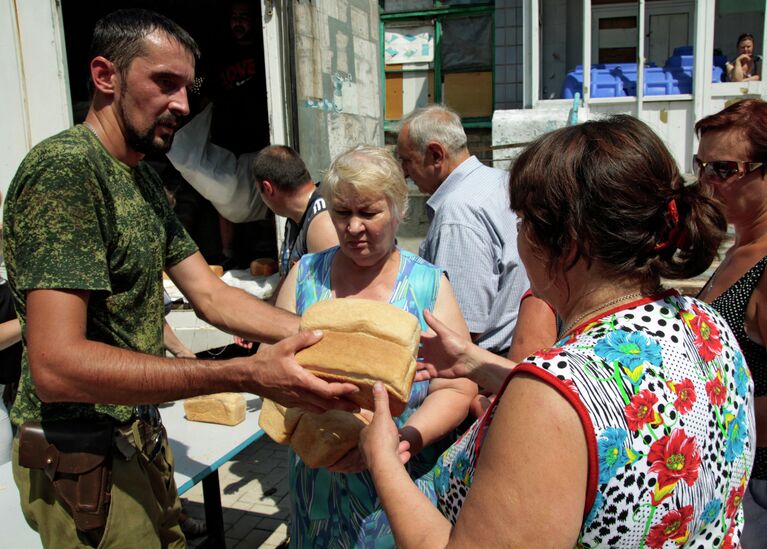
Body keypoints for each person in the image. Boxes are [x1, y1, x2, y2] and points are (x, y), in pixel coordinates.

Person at [3, 9, 358, 548]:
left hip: (136, 441)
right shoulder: (67, 172)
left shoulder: (140, 177)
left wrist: (321, 338)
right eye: (164, 83)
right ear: (105, 76)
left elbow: (211, 294)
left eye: (188, 88)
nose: (184, 106)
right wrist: (244, 374)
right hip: (81, 458)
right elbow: (56, 366)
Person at [360, 115, 756, 547]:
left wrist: (383, 462)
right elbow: (612, 410)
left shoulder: (551, 396)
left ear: (566, 245)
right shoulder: (706, 323)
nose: (517, 236)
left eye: (524, 220)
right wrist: (479, 364)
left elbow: (570, 405)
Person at [266, 145, 477, 547]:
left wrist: (406, 439)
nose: (354, 227)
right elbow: (274, 370)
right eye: (342, 213)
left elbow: (456, 386)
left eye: (368, 213)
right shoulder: (306, 274)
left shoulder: (428, 286)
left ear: (398, 209)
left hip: (399, 490)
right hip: (319, 492)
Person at [396, 105, 545, 358]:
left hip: (481, 370)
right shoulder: (500, 180)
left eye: (407, 160)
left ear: (435, 154)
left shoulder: (458, 212)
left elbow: (459, 329)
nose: (404, 172)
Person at [695, 98, 767, 547]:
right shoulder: (743, 249)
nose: (705, 183)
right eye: (700, 166)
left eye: (723, 170)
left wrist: (711, 427)